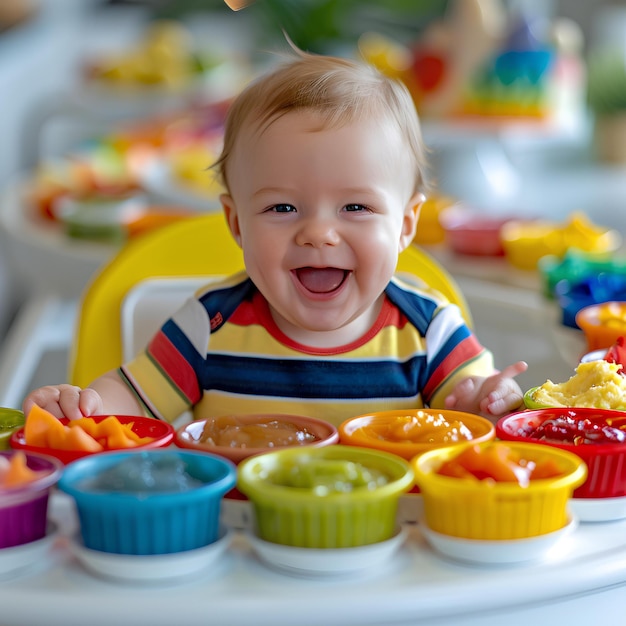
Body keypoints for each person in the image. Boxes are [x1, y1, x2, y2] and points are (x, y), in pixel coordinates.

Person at [23, 50, 527, 427]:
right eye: (282, 207)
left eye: (355, 207)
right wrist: (85, 407)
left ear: (405, 226)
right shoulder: (208, 324)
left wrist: (486, 398)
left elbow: (472, 399)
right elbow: (132, 399)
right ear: (237, 223)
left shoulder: (430, 331)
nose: (319, 233)